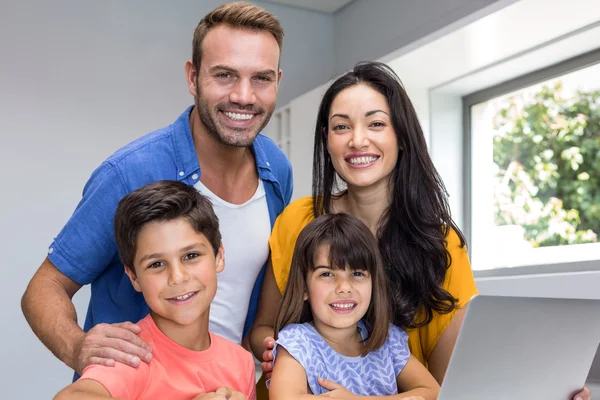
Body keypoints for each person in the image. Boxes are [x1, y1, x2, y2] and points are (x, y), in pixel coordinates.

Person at [250, 61, 591, 400]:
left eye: (376, 123)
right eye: (341, 127)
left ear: (401, 136)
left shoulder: (440, 243)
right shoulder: (299, 220)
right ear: (326, 140)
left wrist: (544, 390)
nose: (357, 140)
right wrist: (279, 352)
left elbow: (446, 384)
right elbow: (263, 327)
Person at [21, 1, 292, 378]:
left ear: (278, 80)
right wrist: (77, 346)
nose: (244, 96)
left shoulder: (277, 170)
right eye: (225, 75)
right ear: (192, 77)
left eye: (261, 78)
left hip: (231, 385)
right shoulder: (129, 172)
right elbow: (44, 286)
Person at [54, 181, 256, 400]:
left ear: (219, 256)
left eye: (191, 256)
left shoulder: (240, 362)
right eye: (156, 264)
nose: (178, 277)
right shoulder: (130, 355)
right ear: (134, 277)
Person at [268, 213, 439, 400]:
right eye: (326, 274)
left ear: (374, 283)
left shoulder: (387, 341)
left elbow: (433, 392)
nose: (344, 287)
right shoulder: (298, 342)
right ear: (304, 287)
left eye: (357, 273)